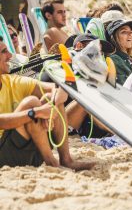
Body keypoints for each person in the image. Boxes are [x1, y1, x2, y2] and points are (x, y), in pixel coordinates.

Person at [0, 37, 93, 169]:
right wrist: (35, 112)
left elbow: (52, 88)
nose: (10, 56)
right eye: (4, 52)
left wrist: (55, 100)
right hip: (4, 156)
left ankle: (66, 160)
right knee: (31, 103)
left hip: (23, 150)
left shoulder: (10, 81)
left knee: (49, 97)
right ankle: (51, 162)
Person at [66, 34, 115, 138]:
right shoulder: (64, 64)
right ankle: (116, 131)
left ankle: (116, 130)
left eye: (100, 52)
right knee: (89, 97)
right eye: (94, 49)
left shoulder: (93, 71)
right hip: (65, 123)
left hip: (87, 127)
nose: (99, 54)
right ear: (79, 46)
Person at [107, 18, 132, 85]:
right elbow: (127, 87)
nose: (130, 34)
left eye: (131, 31)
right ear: (113, 38)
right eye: (124, 32)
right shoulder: (115, 59)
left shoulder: (127, 59)